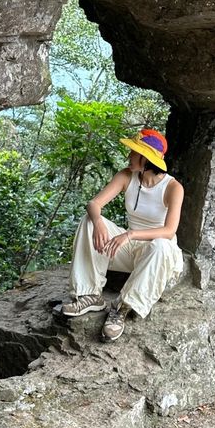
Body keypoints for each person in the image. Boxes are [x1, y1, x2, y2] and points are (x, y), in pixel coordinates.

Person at [62, 128, 184, 341]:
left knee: (161, 244)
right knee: (88, 221)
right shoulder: (127, 175)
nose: (128, 155)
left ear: (146, 158)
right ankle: (90, 294)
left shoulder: (173, 188)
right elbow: (94, 204)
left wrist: (130, 235)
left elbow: (169, 231)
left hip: (156, 254)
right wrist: (98, 220)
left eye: (133, 152)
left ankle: (122, 309)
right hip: (129, 250)